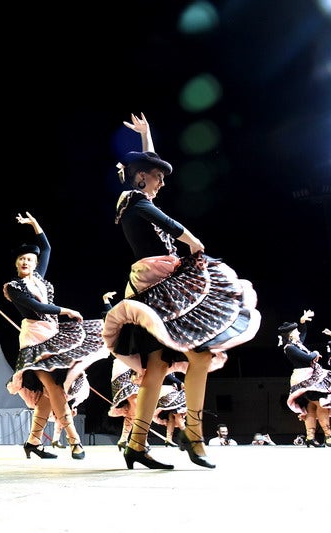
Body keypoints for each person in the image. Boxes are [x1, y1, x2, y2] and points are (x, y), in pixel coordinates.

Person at [102, 113, 261, 470]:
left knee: (159, 365)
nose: (161, 183)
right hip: (157, 287)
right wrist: (192, 240)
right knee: (197, 357)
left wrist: (147, 137)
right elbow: (166, 222)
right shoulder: (131, 200)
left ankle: (138, 445)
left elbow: (149, 173)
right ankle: (193, 434)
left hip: (162, 285)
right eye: (156, 177)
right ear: (141, 177)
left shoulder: (139, 195)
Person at [4, 212, 109, 460]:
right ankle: (75, 442)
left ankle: (33, 442)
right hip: (35, 340)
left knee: (50, 393)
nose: (26, 262)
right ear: (16, 264)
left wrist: (35, 224)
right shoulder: (13, 287)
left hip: (54, 335)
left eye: (29, 259)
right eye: (21, 259)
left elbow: (47, 248)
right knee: (54, 387)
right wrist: (66, 310)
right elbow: (38, 308)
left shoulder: (38, 278)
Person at [279, 310, 331, 448]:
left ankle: (311, 437)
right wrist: (316, 353)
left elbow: (303, 333)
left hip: (311, 377)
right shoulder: (290, 348)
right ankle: (328, 436)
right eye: (296, 332)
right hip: (305, 379)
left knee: (310, 406)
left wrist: (302, 321)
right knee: (320, 404)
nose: (298, 333)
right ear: (291, 335)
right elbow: (308, 358)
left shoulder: (296, 344)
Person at [154, 372, 185, 448]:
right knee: (178, 413)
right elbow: (166, 373)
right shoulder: (166, 364)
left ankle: (168, 439)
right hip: (165, 390)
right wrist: (179, 383)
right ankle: (188, 437)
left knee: (172, 415)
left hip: (165, 390)